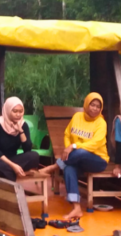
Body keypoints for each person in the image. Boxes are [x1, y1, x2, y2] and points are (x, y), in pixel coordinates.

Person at [41, 92, 109, 220]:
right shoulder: (77, 117)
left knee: (81, 151)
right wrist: (69, 147)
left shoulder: (101, 123)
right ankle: (77, 208)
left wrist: (73, 147)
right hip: (78, 159)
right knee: (69, 168)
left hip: (97, 160)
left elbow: (95, 144)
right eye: (92, 105)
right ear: (86, 104)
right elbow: (67, 134)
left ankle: (54, 167)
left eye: (97, 106)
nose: (94, 108)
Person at [0, 96, 40, 181]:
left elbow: (27, 149)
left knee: (34, 156)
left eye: (20, 111)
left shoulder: (23, 125)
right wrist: (13, 165)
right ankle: (13, 186)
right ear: (8, 110)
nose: (18, 114)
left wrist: (21, 132)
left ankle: (9, 172)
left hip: (12, 158)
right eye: (15, 111)